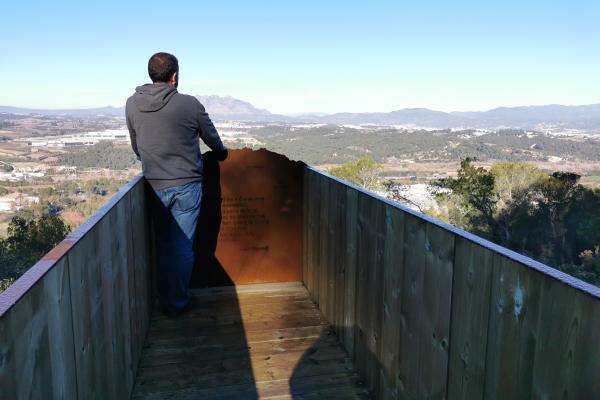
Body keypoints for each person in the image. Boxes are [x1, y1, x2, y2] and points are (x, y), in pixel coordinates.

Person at [126, 52, 227, 317]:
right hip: (188, 185)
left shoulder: (131, 104)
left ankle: (166, 300)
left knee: (163, 245)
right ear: (175, 75)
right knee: (182, 246)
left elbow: (137, 147)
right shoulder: (189, 104)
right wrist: (221, 153)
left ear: (151, 74)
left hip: (154, 184)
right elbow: (213, 140)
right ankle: (178, 302)